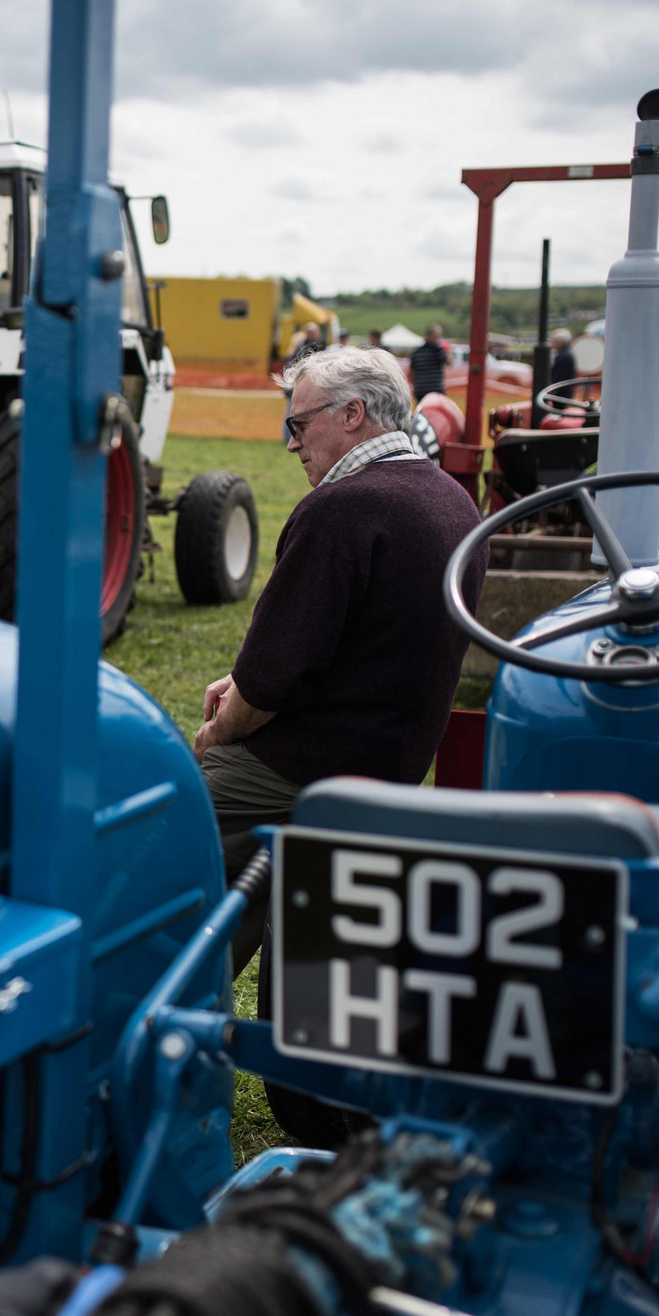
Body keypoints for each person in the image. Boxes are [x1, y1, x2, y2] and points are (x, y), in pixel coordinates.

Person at [195, 345, 487, 962]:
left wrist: (221, 730)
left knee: (166, 849)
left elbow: (274, 678)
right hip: (394, 767)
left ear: (352, 414)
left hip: (305, 768)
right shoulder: (455, 502)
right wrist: (244, 679)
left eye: (299, 425)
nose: (293, 444)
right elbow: (365, 641)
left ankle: (151, 1019)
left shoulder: (341, 507)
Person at [282, 322, 322, 408]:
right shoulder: (306, 347)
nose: (319, 334)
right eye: (316, 332)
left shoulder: (305, 346)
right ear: (309, 333)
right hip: (300, 384)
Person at [409, 322, 448, 402]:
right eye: (438, 336)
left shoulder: (416, 353)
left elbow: (411, 372)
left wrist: (416, 386)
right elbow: (448, 362)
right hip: (436, 390)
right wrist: (448, 350)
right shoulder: (438, 351)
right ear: (432, 336)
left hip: (420, 390)